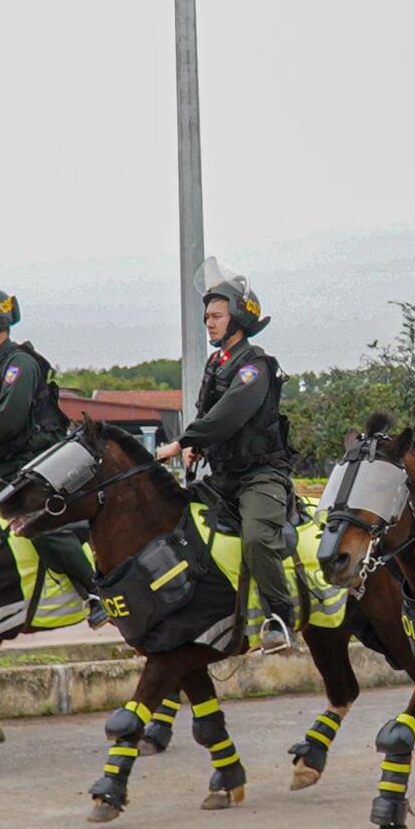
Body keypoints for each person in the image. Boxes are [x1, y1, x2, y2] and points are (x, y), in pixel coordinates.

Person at [0, 285, 106, 628]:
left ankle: (95, 592)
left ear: (0, 322)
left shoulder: (19, 364)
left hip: (38, 466)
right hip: (12, 468)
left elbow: (9, 417)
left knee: (37, 524)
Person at [155, 258, 295, 654]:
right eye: (206, 316)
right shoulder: (216, 364)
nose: (209, 323)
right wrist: (197, 445)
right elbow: (206, 413)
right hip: (223, 476)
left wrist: (181, 441)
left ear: (238, 317)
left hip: (260, 476)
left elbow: (229, 413)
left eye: (217, 315)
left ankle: (279, 618)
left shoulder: (255, 367)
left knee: (255, 537)